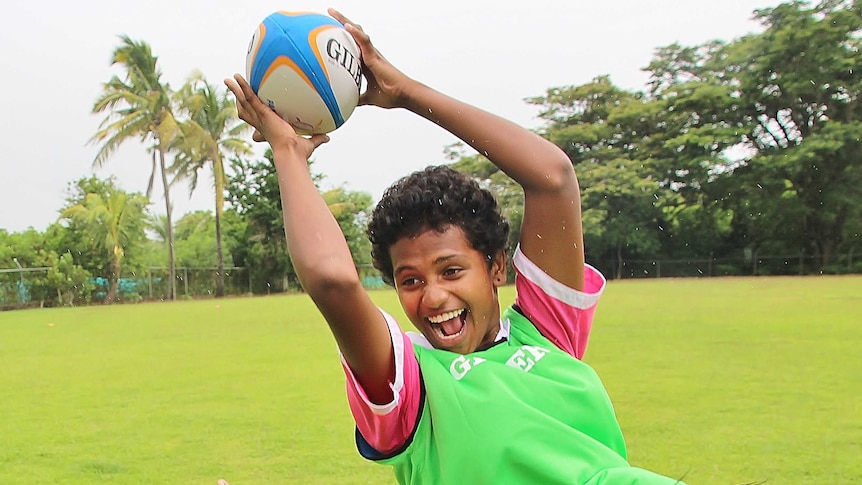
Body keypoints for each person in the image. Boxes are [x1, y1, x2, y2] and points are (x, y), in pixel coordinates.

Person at [223, 8, 685, 485]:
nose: (433, 297)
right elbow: (333, 280)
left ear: (496, 268)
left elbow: (553, 179)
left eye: (451, 270)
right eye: (410, 280)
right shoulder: (412, 391)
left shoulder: (549, 335)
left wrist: (406, 93)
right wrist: (287, 152)